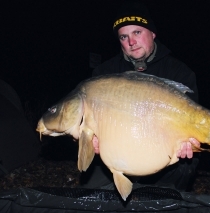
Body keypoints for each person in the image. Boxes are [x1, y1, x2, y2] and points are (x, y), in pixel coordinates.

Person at [82, 0, 200, 192]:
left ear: (152, 33)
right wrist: (90, 140)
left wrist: (191, 142)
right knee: (91, 188)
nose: (131, 42)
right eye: (123, 37)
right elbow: (85, 123)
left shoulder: (179, 72)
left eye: (137, 32)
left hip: (166, 155)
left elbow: (192, 124)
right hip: (117, 155)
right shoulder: (104, 74)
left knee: (186, 167)